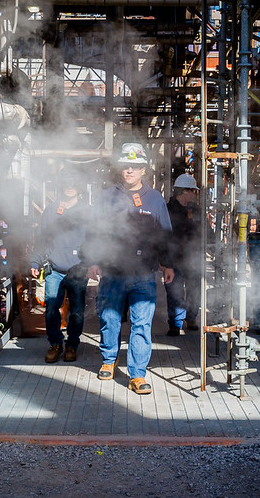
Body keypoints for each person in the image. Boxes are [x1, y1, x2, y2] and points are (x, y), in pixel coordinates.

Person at [82, 142, 174, 395]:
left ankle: (137, 374)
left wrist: (167, 264)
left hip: (144, 273)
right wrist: (92, 260)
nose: (129, 170)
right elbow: (93, 230)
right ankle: (109, 360)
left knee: (141, 324)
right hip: (113, 271)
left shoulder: (155, 199)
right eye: (125, 166)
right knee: (109, 319)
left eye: (134, 166)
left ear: (144, 168)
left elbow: (165, 234)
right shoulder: (106, 196)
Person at [30, 170, 89, 363]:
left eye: (73, 182)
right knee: (51, 308)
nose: (69, 186)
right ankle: (55, 343)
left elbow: (95, 239)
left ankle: (72, 344)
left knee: (78, 311)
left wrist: (92, 262)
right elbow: (41, 238)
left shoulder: (87, 211)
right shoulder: (50, 210)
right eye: (66, 182)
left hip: (78, 269)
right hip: (54, 269)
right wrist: (35, 261)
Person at [165, 173, 201, 336]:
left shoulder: (195, 210)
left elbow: (204, 231)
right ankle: (175, 323)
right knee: (174, 290)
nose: (194, 194)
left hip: (193, 257)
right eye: (193, 191)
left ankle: (191, 318)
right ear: (185, 191)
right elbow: (162, 234)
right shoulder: (168, 209)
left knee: (194, 288)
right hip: (174, 257)